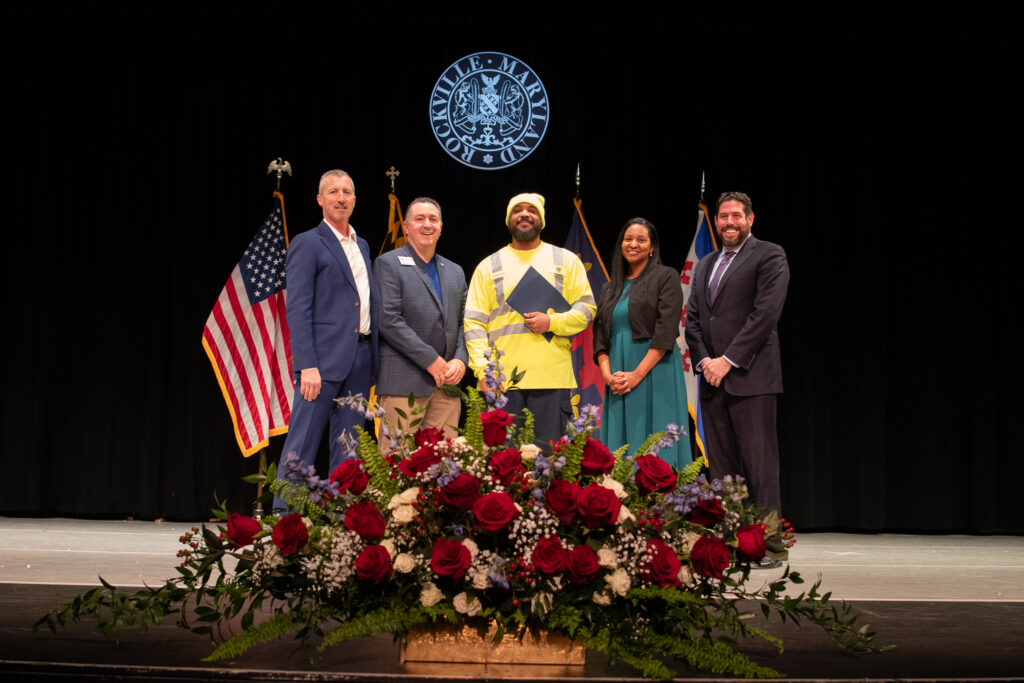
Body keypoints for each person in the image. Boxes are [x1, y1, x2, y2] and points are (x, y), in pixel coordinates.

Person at [684, 191, 789, 564]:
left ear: (750, 219)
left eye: (735, 216)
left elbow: (765, 314)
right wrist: (706, 363)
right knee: (724, 468)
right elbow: (694, 321)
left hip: (752, 378)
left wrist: (727, 360)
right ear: (715, 221)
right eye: (723, 216)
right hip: (712, 381)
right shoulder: (706, 263)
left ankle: (770, 543)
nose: (729, 222)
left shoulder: (770, 254)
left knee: (759, 465)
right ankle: (735, 542)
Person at [276, 169, 378, 506]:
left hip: (360, 358)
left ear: (354, 199)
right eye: (333, 192)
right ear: (320, 199)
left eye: (347, 192)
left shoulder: (361, 244)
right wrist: (307, 365)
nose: (341, 197)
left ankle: (340, 522)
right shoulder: (308, 243)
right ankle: (284, 522)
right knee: (302, 443)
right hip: (320, 363)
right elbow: (298, 310)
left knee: (349, 446)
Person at [464, 192, 596, 446]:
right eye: (517, 210)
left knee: (549, 464)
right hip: (502, 383)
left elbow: (588, 310)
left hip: (552, 379)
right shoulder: (488, 266)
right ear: (508, 220)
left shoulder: (566, 261)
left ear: (542, 221)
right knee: (503, 464)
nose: (524, 214)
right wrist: (484, 373)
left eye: (532, 210)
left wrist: (552, 323)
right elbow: (474, 325)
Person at [594, 218, 692, 468]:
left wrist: (637, 374)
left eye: (641, 240)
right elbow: (600, 339)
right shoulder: (608, 289)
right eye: (628, 239)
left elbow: (666, 331)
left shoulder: (665, 277)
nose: (633, 244)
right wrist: (607, 376)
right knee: (621, 449)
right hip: (618, 377)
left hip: (654, 371)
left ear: (652, 247)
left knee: (657, 444)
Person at [374, 197, 467, 440]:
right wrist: (431, 360)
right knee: (396, 464)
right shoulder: (388, 264)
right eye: (419, 219)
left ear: (441, 227)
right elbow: (389, 320)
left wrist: (460, 360)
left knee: (446, 467)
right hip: (402, 384)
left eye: (433, 219)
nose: (427, 224)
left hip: (447, 384)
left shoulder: (455, 271)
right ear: (406, 227)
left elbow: (464, 324)